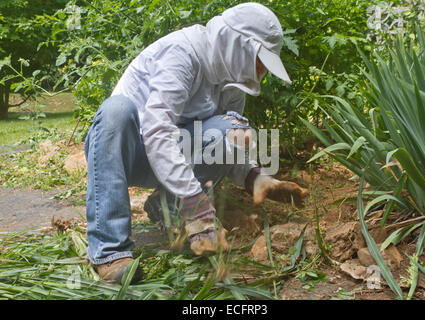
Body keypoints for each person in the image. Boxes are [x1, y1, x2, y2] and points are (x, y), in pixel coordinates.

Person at [83, 2, 308, 284]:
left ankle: (166, 204)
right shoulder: (183, 54)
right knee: (116, 110)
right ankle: (109, 252)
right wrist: (196, 205)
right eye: (260, 59)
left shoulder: (233, 81)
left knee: (234, 127)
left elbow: (223, 142)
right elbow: (157, 130)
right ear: (237, 44)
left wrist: (254, 177)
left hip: (169, 154)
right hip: (125, 152)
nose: (261, 70)